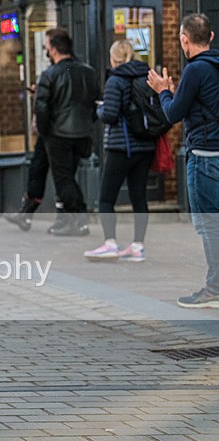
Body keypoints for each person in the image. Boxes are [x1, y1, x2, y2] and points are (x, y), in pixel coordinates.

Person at [148, 13, 219, 308]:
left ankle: (214, 290)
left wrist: (163, 91)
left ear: (184, 40)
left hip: (204, 158)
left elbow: (174, 114)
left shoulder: (195, 70)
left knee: (208, 225)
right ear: (211, 37)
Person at [84, 40, 156, 262]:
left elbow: (112, 114)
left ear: (113, 58)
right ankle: (137, 246)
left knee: (106, 197)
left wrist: (100, 108)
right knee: (139, 197)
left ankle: (110, 243)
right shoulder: (146, 76)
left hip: (120, 146)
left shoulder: (116, 80)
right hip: (145, 146)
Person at [35, 28, 100, 236]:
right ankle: (66, 222)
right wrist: (88, 123)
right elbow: (96, 104)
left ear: (53, 49)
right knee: (68, 177)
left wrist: (46, 133)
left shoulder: (49, 74)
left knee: (63, 180)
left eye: (47, 46)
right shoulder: (88, 72)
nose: (46, 49)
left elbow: (41, 108)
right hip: (82, 134)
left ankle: (78, 219)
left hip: (59, 135)